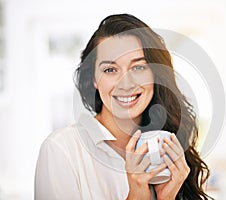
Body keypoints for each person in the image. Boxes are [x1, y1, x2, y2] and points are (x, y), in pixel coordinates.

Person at [35, 14, 212, 200]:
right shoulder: (61, 150)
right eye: (110, 70)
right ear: (94, 79)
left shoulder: (167, 148)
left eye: (138, 68)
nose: (126, 84)